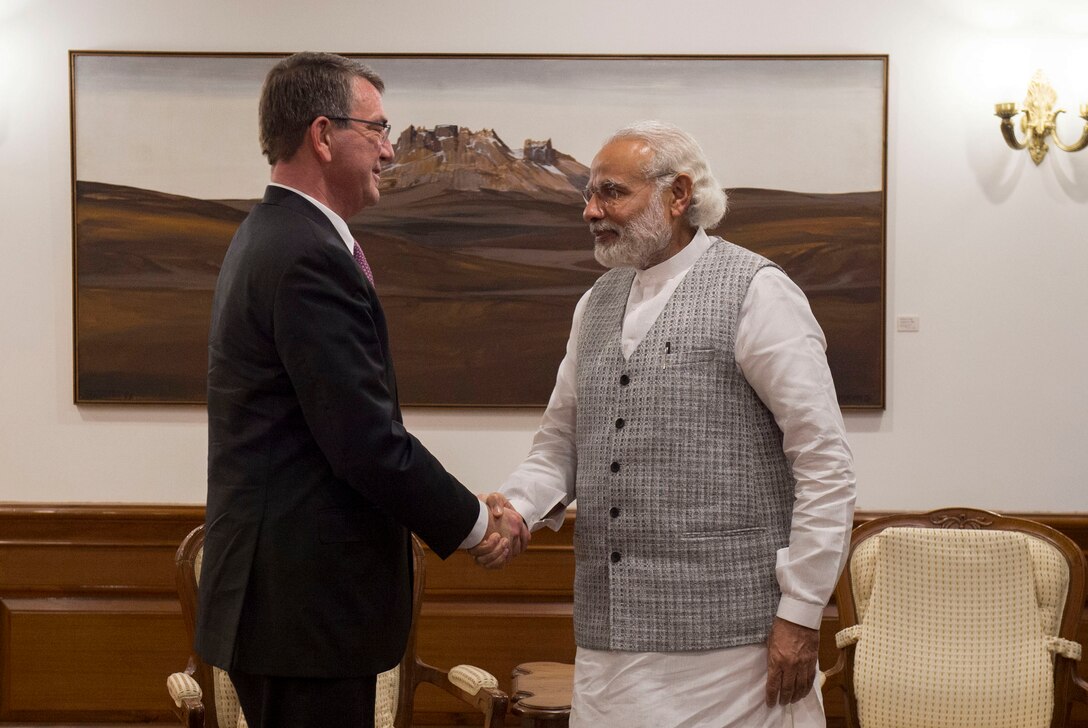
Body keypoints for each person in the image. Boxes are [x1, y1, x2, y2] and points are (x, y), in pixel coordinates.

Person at [196, 52, 526, 728]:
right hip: (303, 615)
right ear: (322, 134)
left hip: (291, 612)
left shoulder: (274, 235)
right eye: (377, 130)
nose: (388, 151)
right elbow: (364, 443)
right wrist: (472, 523)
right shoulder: (307, 255)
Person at [488, 121, 856, 727]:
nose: (590, 210)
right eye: (588, 194)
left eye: (610, 192)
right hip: (609, 650)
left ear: (678, 195)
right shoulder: (595, 303)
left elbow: (824, 462)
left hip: (735, 654)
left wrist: (801, 612)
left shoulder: (758, 292)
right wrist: (516, 512)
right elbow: (559, 445)